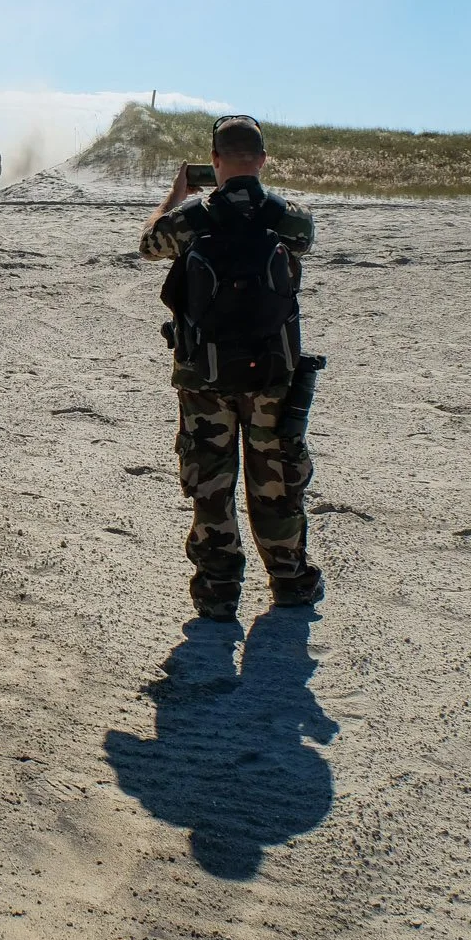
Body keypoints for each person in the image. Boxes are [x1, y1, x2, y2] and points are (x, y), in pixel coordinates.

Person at [140, 114, 324, 621]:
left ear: (215, 161)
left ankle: (218, 590)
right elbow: (304, 242)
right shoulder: (289, 218)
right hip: (272, 373)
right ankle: (289, 580)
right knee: (276, 481)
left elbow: (148, 243)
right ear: (262, 160)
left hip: (205, 376)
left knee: (211, 484)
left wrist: (175, 195)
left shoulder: (192, 218)